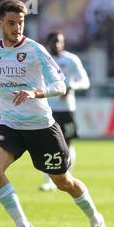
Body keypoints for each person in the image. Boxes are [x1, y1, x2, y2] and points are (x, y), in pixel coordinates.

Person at [0, 0, 109, 227]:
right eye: (11, 23)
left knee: (64, 182)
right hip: (10, 123)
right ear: (0, 23)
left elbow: (61, 85)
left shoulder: (35, 50)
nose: (17, 27)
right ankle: (23, 226)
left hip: (41, 126)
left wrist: (35, 93)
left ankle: (95, 219)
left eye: (20, 22)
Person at [39, 31, 90, 191]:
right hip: (47, 108)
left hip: (67, 109)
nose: (57, 44)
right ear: (48, 43)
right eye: (54, 41)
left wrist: (72, 87)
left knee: (68, 144)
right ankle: (49, 181)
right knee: (47, 145)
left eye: (60, 41)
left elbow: (85, 81)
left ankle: (68, 175)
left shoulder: (71, 59)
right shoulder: (43, 60)